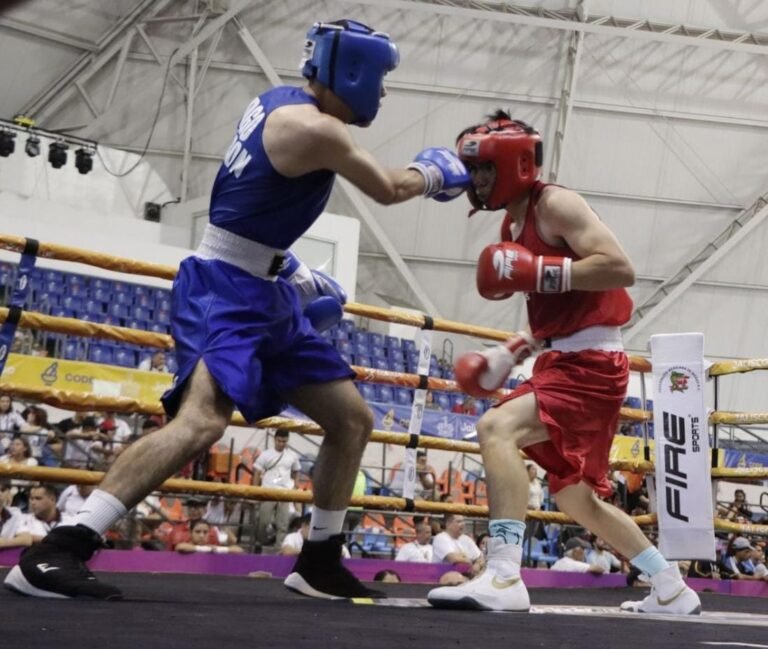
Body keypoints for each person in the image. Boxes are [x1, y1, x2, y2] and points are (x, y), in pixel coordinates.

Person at [4, 18, 469, 601]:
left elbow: (251, 198)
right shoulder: (317, 129)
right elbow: (388, 188)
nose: (382, 93)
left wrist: (288, 269)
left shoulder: (281, 102)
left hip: (263, 288)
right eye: (380, 79)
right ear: (352, 73)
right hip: (224, 290)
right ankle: (57, 550)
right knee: (201, 422)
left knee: (351, 420)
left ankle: (319, 559)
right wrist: (436, 172)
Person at [427, 111, 701, 615]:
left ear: (517, 163)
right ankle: (671, 589)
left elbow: (620, 268)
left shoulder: (555, 203)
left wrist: (543, 272)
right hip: (565, 356)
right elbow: (561, 303)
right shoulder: (513, 221)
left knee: (495, 429)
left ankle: (505, 576)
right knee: (575, 497)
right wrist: (517, 347)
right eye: (475, 170)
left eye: (485, 168)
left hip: (590, 362)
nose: (477, 180)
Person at [253, 430, 301, 547]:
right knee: (263, 522)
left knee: (283, 524)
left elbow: (297, 470)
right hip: (268, 491)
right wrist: (254, 490)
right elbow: (257, 472)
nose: (281, 443)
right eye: (279, 441)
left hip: (285, 493)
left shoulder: (292, 455)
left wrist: (296, 485)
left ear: (287, 441)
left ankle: (279, 548)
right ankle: (262, 542)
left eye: (284, 441)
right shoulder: (266, 454)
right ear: (274, 440)